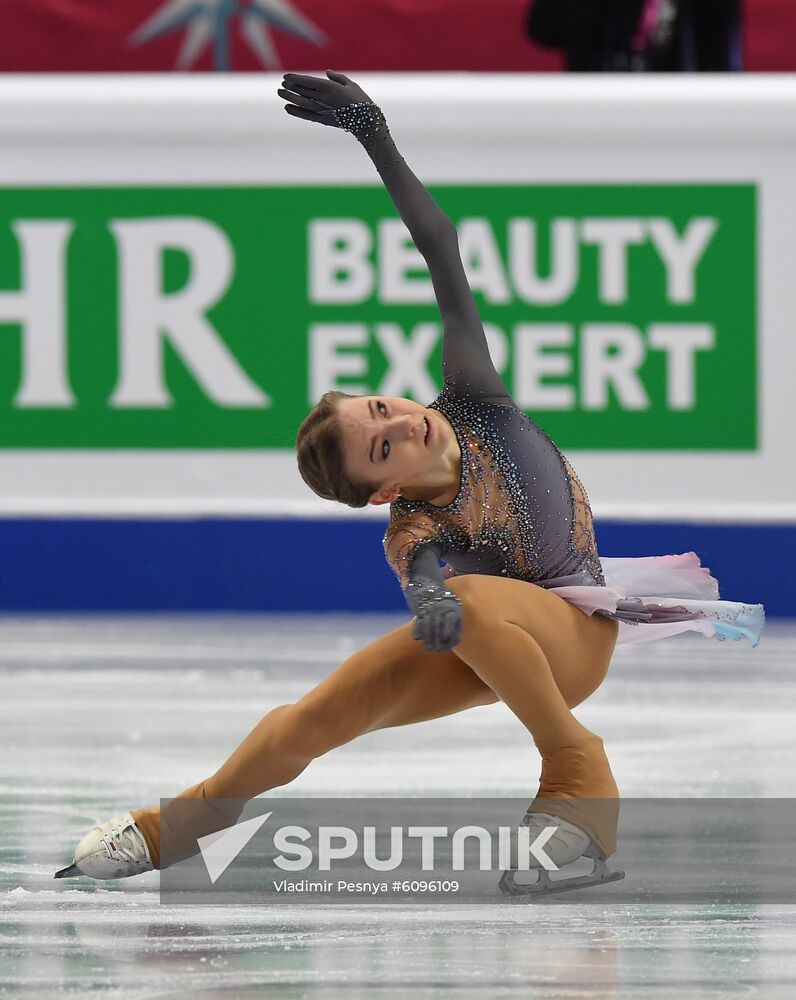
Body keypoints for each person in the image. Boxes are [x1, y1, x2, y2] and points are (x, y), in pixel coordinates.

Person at [55, 71, 765, 893]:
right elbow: (424, 578)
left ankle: (576, 768)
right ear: (384, 494)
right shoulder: (412, 531)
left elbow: (440, 245)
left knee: (470, 608)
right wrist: (429, 599)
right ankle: (176, 827)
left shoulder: (474, 396)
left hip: (574, 640)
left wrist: (374, 135)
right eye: (383, 448)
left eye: (382, 409)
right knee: (313, 717)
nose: (402, 424)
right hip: (489, 642)